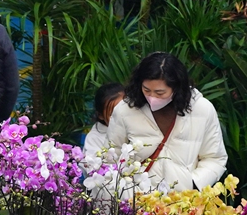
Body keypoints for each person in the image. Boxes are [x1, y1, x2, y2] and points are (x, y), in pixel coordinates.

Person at [106, 52, 227, 191]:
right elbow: (111, 156)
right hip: (136, 203)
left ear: (176, 88)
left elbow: (215, 158)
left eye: (160, 93)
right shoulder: (125, 109)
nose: (151, 97)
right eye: (146, 90)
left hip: (184, 204)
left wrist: (193, 184)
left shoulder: (202, 109)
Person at [84, 82, 124, 159]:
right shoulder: (94, 139)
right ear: (101, 115)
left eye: (124, 111)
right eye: (112, 115)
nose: (120, 118)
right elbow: (94, 168)